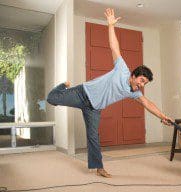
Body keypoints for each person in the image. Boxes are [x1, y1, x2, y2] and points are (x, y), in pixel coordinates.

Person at [47, 8, 172, 178]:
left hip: (94, 109)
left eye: (145, 83)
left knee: (93, 137)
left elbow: (147, 103)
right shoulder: (122, 69)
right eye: (142, 81)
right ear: (133, 75)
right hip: (82, 93)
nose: (142, 85)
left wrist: (163, 116)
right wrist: (111, 25)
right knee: (52, 98)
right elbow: (114, 46)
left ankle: (99, 168)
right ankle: (63, 85)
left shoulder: (133, 93)